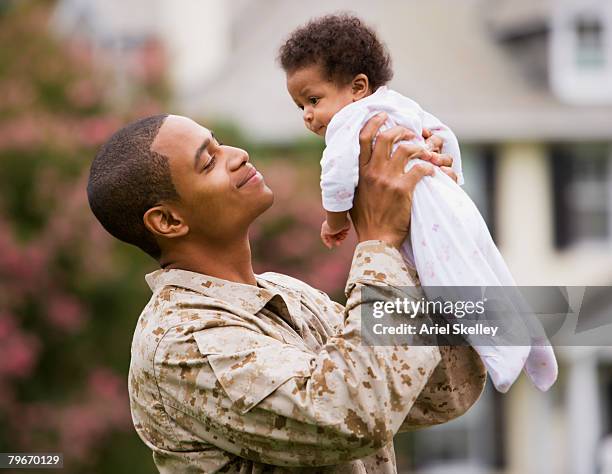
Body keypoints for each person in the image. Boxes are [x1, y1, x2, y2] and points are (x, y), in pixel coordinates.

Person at [87, 113, 486, 473]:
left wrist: (425, 222)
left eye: (220, 141)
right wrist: (379, 241)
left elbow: (443, 388)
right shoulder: (180, 342)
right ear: (168, 221)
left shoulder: (286, 293)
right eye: (208, 162)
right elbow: (351, 415)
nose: (238, 154)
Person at [278, 13, 557, 393]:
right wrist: (452, 173)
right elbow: (442, 134)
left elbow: (337, 175)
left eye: (313, 100)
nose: (308, 116)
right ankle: (531, 344)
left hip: (423, 211)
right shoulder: (396, 104)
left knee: (445, 286)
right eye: (300, 107)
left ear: (358, 86)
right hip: (448, 198)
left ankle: (501, 359)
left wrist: (335, 221)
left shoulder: (348, 125)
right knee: (487, 270)